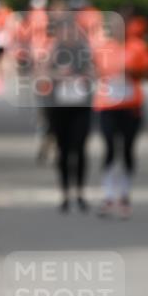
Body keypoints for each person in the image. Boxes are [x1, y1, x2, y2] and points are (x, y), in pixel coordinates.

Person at [93, 14, 148, 218]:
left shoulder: (138, 47)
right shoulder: (102, 47)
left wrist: (133, 71)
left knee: (128, 148)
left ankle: (124, 194)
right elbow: (93, 71)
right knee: (110, 147)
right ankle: (108, 195)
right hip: (107, 105)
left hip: (131, 106)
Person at [44, 12, 95, 212]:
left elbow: (94, 72)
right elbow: (43, 73)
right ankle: (65, 194)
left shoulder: (83, 50)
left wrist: (83, 76)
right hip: (59, 107)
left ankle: (80, 193)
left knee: (80, 148)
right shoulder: (54, 50)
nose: (68, 35)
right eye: (64, 32)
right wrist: (58, 75)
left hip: (81, 106)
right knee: (63, 150)